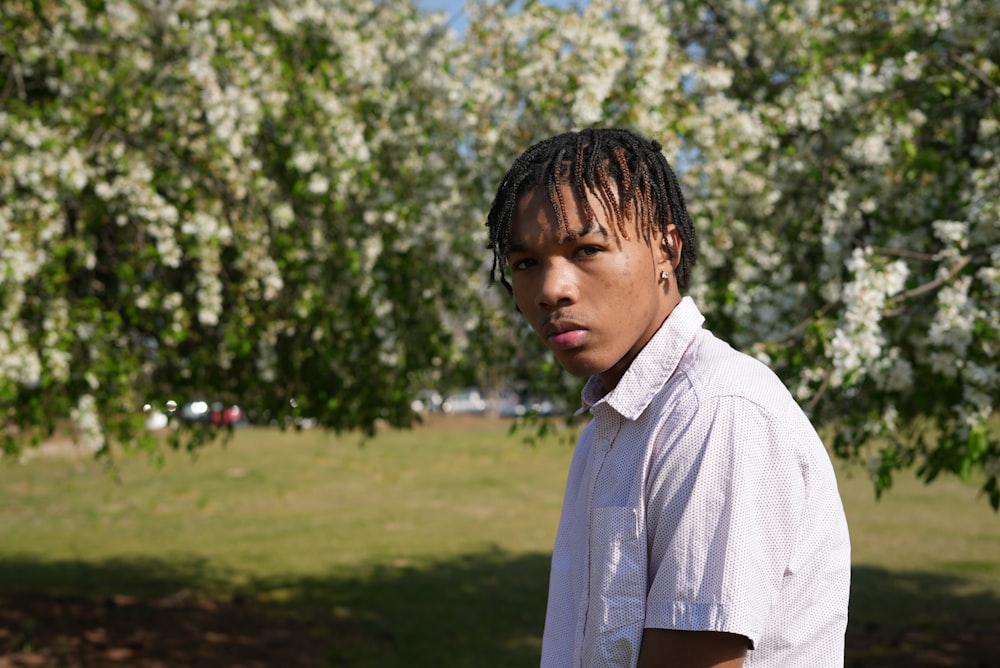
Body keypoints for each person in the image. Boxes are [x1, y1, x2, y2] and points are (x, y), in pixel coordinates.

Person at [485, 128, 850, 668]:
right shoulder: (607, 430)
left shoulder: (714, 412)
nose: (550, 289)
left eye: (587, 249)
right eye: (525, 263)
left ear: (666, 250)